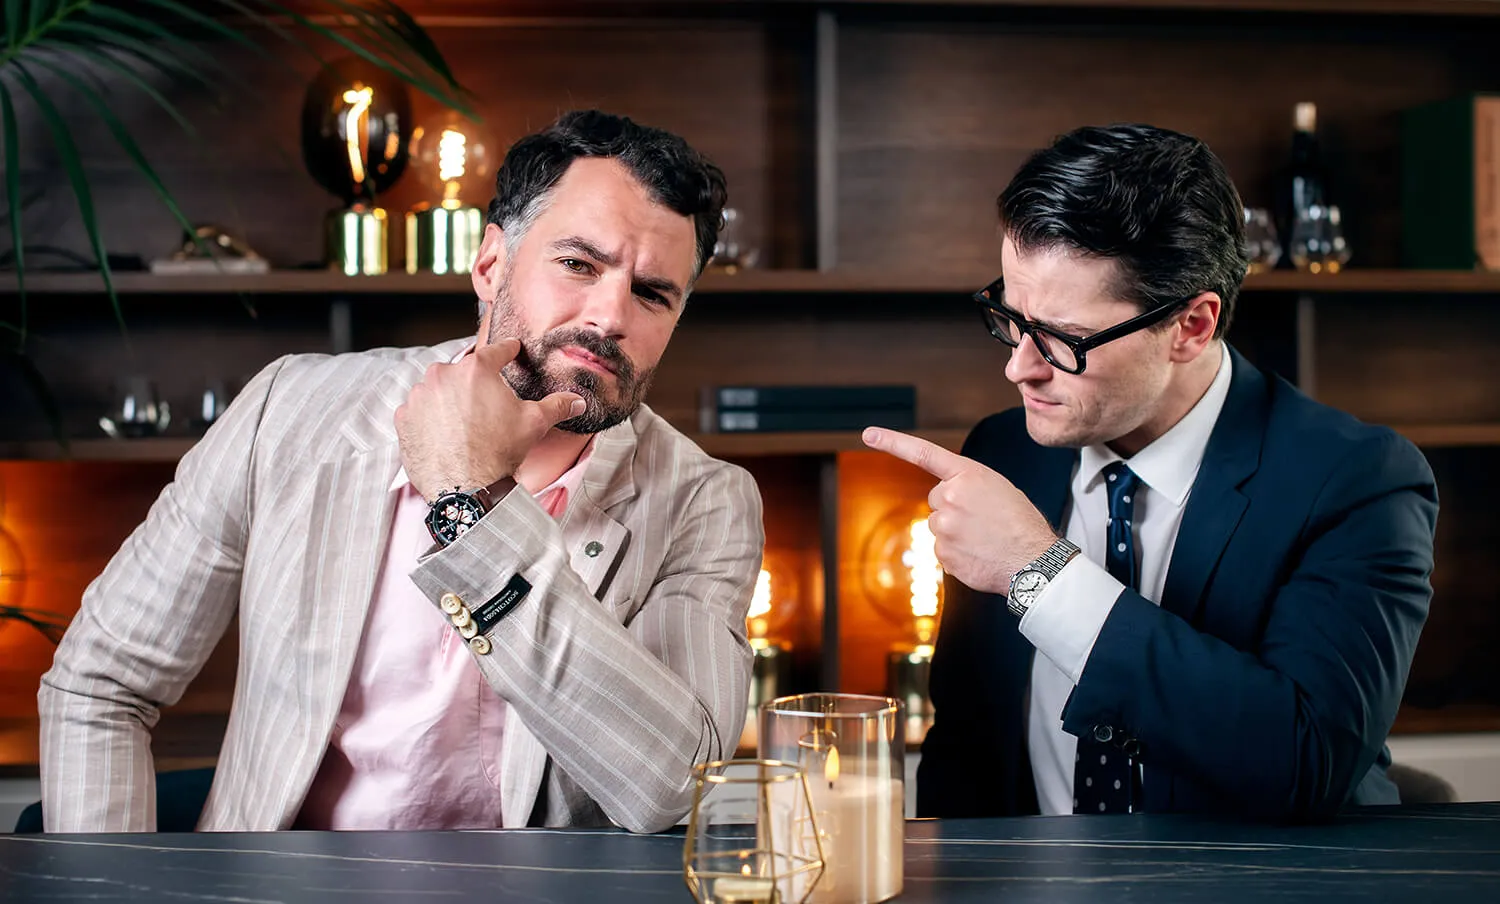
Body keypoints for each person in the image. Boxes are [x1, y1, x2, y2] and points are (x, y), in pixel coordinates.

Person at [39, 110, 764, 834]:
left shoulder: (704, 502)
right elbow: (101, 683)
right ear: (491, 266)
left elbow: (674, 787)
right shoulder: (286, 411)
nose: (610, 317)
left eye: (652, 293)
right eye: (578, 264)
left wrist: (474, 501)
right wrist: (112, 884)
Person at [862, 123, 1437, 821]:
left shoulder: (1358, 481)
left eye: (1063, 338)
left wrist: (1039, 572)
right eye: (1011, 318)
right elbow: (968, 740)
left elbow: (1306, 761)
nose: (1019, 366)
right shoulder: (1002, 450)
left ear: (1192, 326)